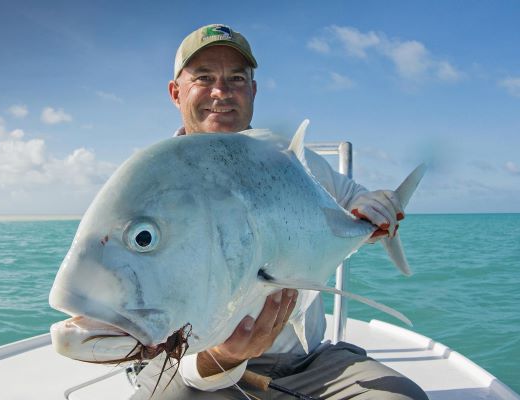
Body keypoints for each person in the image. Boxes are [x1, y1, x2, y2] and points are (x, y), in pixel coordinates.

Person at [132, 24, 428, 400]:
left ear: (253, 90)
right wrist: (219, 356)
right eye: (203, 78)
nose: (220, 92)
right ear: (176, 93)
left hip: (305, 363)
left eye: (236, 78)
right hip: (190, 363)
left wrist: (375, 207)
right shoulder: (152, 185)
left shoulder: (295, 164)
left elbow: (356, 197)